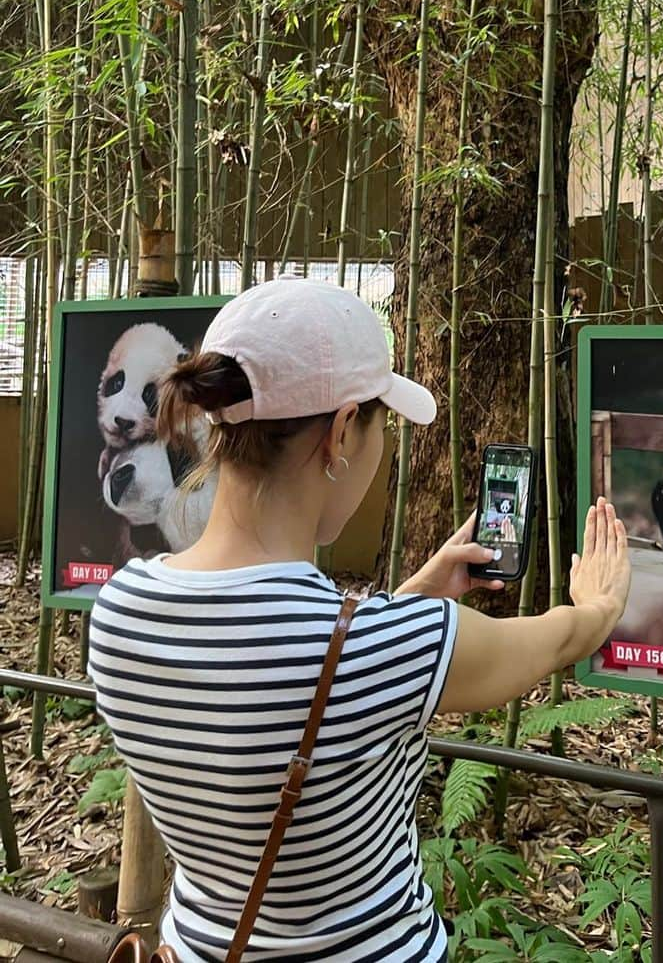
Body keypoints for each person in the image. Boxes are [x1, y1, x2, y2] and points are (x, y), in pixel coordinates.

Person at [87, 279, 630, 963]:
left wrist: (417, 595)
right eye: (381, 427)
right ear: (342, 433)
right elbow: (553, 641)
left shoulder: (119, 612)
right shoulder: (382, 649)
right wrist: (600, 604)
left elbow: (310, 668)